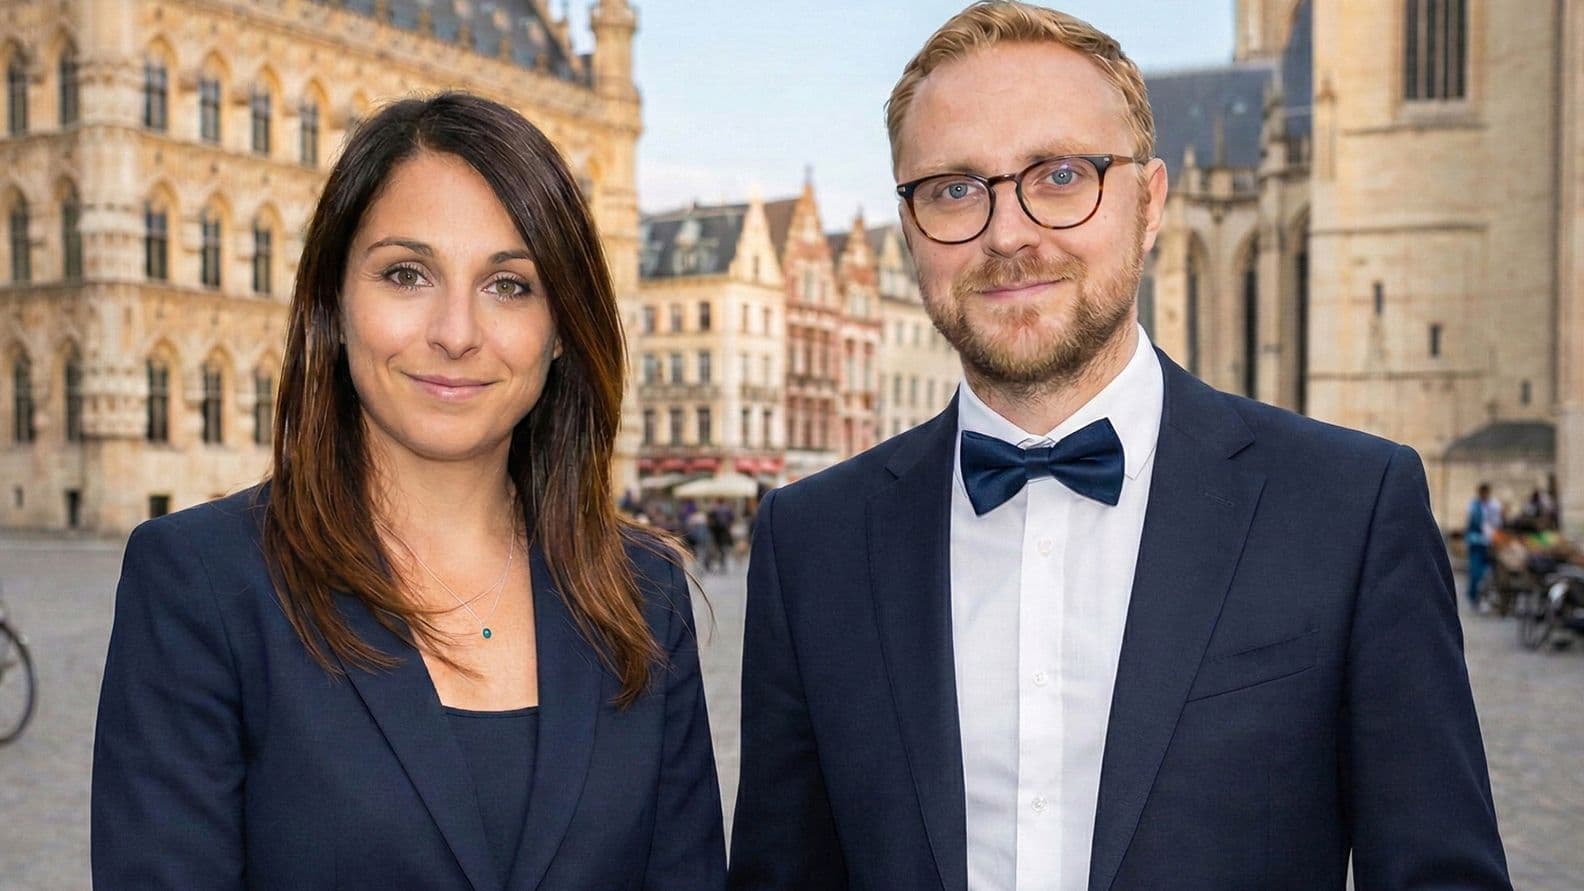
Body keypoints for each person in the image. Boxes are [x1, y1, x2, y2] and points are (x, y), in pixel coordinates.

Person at [727, 4, 1511, 890]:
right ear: (909, 229)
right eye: (953, 188)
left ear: (1151, 203)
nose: (1008, 232)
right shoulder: (812, 540)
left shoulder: (1348, 507)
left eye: (1061, 175)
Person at [92, 93, 725, 889]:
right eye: (406, 274)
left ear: (561, 328)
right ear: (334, 302)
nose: (456, 331)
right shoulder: (203, 584)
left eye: (510, 285)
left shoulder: (642, 592)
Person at [1466, 482, 1501, 609]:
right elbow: (1475, 522)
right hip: (1476, 542)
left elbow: (1495, 522)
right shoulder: (1474, 506)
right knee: (1475, 572)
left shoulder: (1492, 505)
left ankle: (1484, 597)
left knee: (1487, 573)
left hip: (1488, 543)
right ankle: (1474, 597)